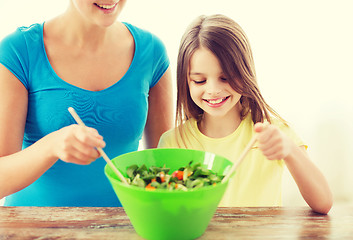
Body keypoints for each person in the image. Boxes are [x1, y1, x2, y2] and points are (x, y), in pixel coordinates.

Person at [0, 0, 173, 207]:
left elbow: (164, 168)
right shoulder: (19, 50)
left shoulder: (151, 52)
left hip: (125, 227)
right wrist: (51, 146)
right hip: (34, 230)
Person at [158, 14, 332, 214]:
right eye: (199, 81)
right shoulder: (173, 142)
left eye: (225, 78)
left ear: (244, 72)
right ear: (185, 81)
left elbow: (324, 202)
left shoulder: (273, 134)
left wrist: (290, 150)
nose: (213, 90)